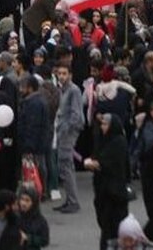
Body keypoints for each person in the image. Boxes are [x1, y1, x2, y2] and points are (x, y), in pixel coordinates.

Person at [85, 112, 130, 250]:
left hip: (115, 194)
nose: (102, 127)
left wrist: (90, 163)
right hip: (103, 191)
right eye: (102, 124)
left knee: (113, 230)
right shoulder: (103, 140)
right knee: (106, 226)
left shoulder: (119, 142)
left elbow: (105, 162)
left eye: (105, 124)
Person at [52, 60, 85, 214]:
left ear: (70, 75)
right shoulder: (62, 90)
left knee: (65, 164)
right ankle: (69, 199)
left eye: (64, 73)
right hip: (62, 130)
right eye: (59, 73)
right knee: (65, 165)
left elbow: (76, 115)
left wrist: (65, 130)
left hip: (68, 131)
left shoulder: (74, 90)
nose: (61, 76)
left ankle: (73, 201)